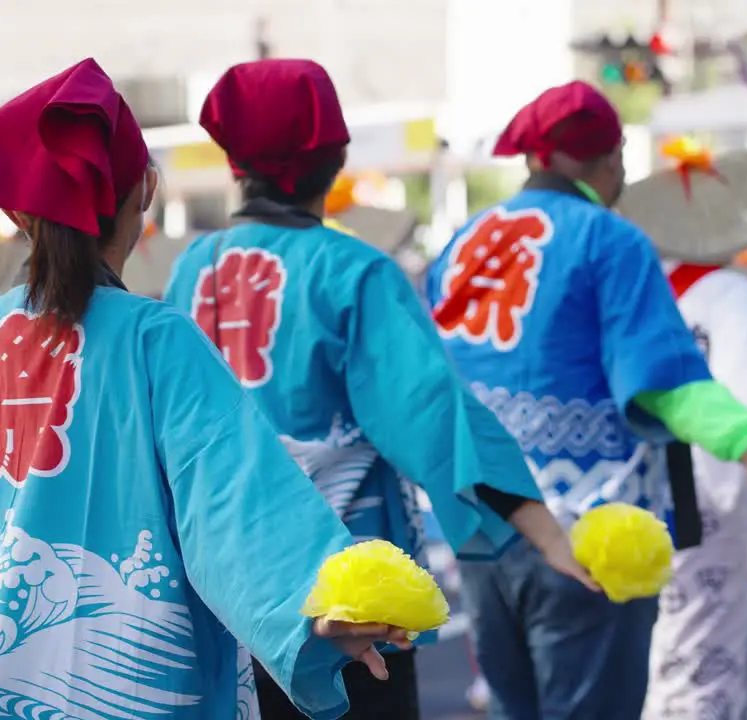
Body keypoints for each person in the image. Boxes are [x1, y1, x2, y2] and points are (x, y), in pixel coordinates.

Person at [0, 57, 414, 720]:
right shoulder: (158, 339)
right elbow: (235, 508)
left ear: (16, 212)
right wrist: (318, 614)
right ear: (145, 191)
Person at [162, 58, 588, 719]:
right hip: (351, 590)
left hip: (230, 586)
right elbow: (430, 414)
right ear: (336, 162)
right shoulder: (351, 269)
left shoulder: (194, 267)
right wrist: (545, 533)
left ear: (233, 163)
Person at [424, 81, 747, 719]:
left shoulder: (465, 241)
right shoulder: (609, 238)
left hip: (484, 524)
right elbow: (662, 377)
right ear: (609, 159)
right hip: (586, 527)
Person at [619, 145, 747, 720]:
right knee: (701, 651)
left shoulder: (627, 289)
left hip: (619, 493)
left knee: (634, 652)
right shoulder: (729, 293)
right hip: (701, 493)